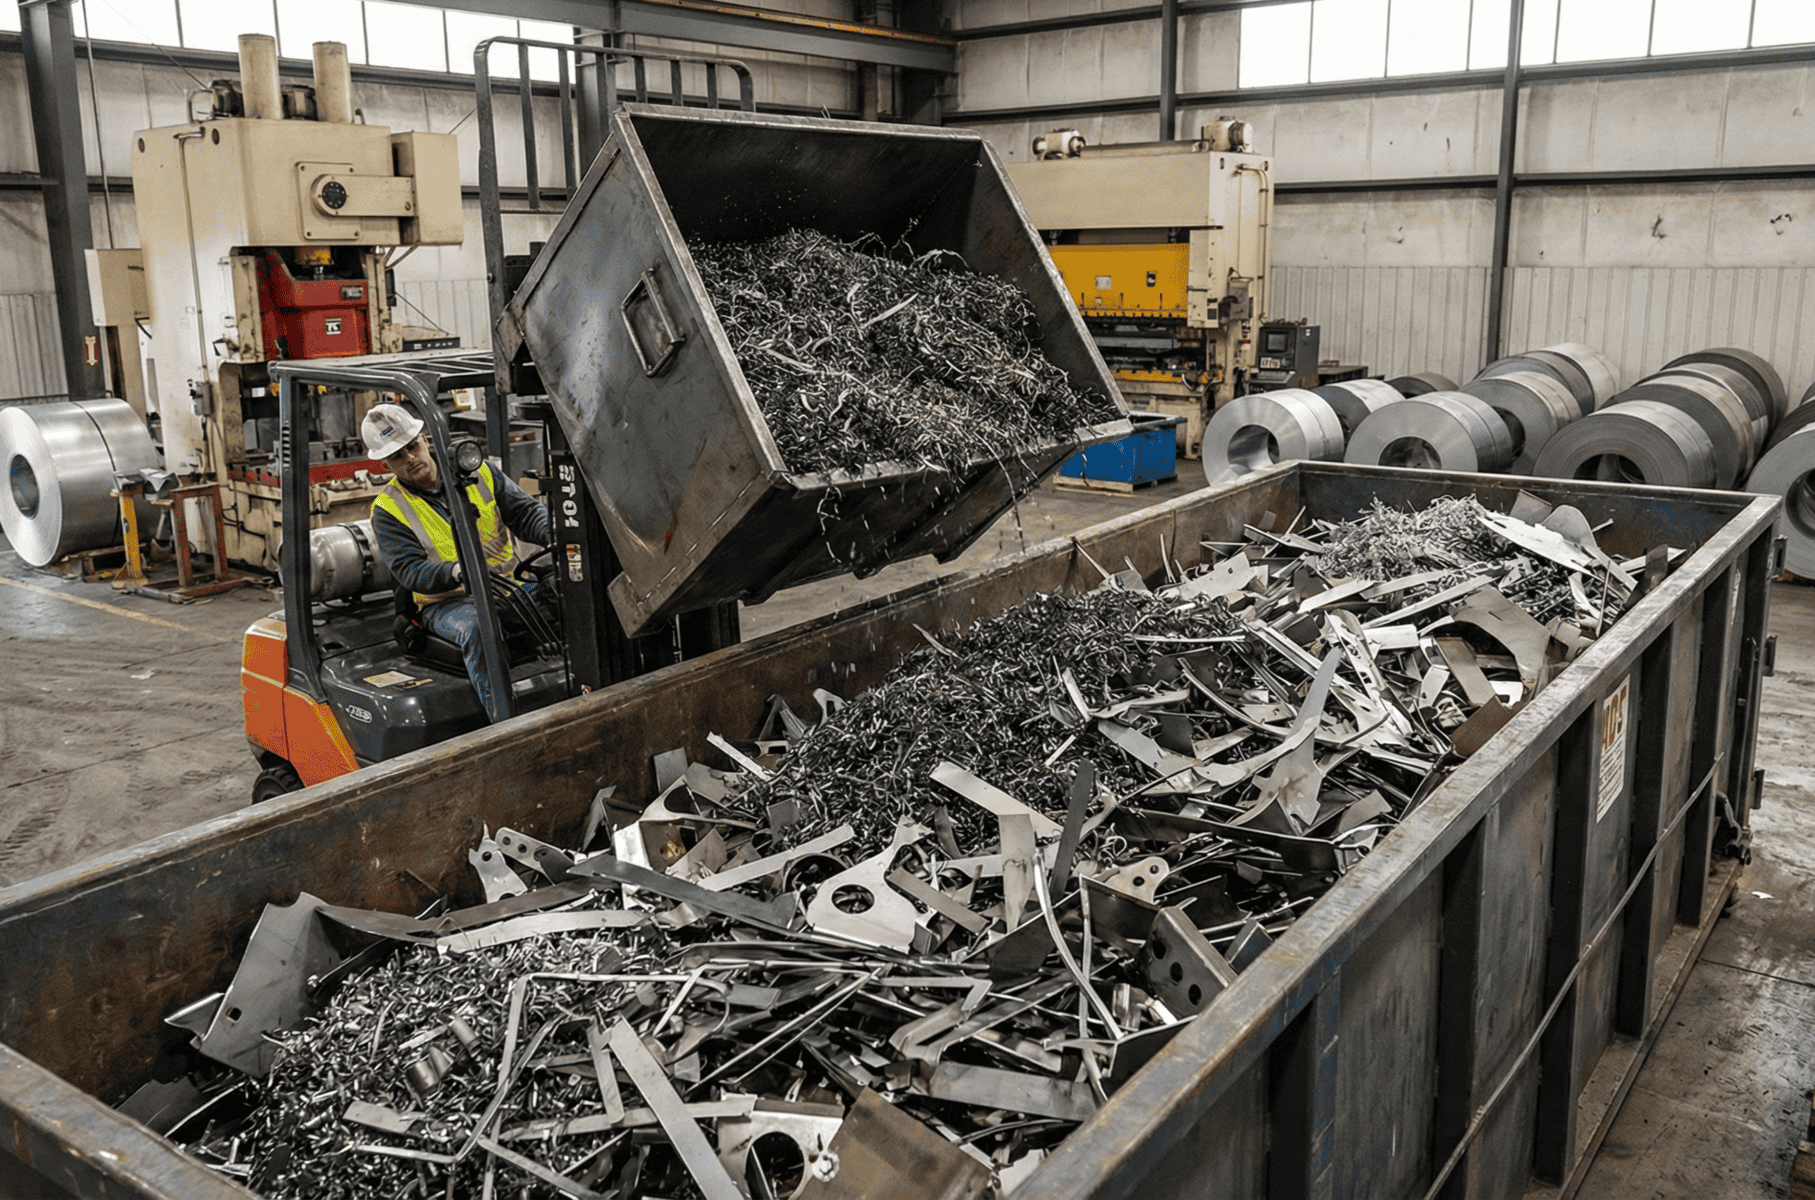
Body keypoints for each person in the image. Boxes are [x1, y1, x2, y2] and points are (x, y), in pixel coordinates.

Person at [361, 402, 551, 719]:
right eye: (397, 456)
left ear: (425, 440)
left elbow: (525, 513)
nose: (410, 458)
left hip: (508, 585)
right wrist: (457, 572)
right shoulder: (388, 510)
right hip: (448, 602)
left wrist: (557, 533)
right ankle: (506, 725)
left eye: (412, 446)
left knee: (567, 591)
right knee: (479, 627)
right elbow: (409, 570)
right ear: (384, 465)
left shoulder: (481, 472)